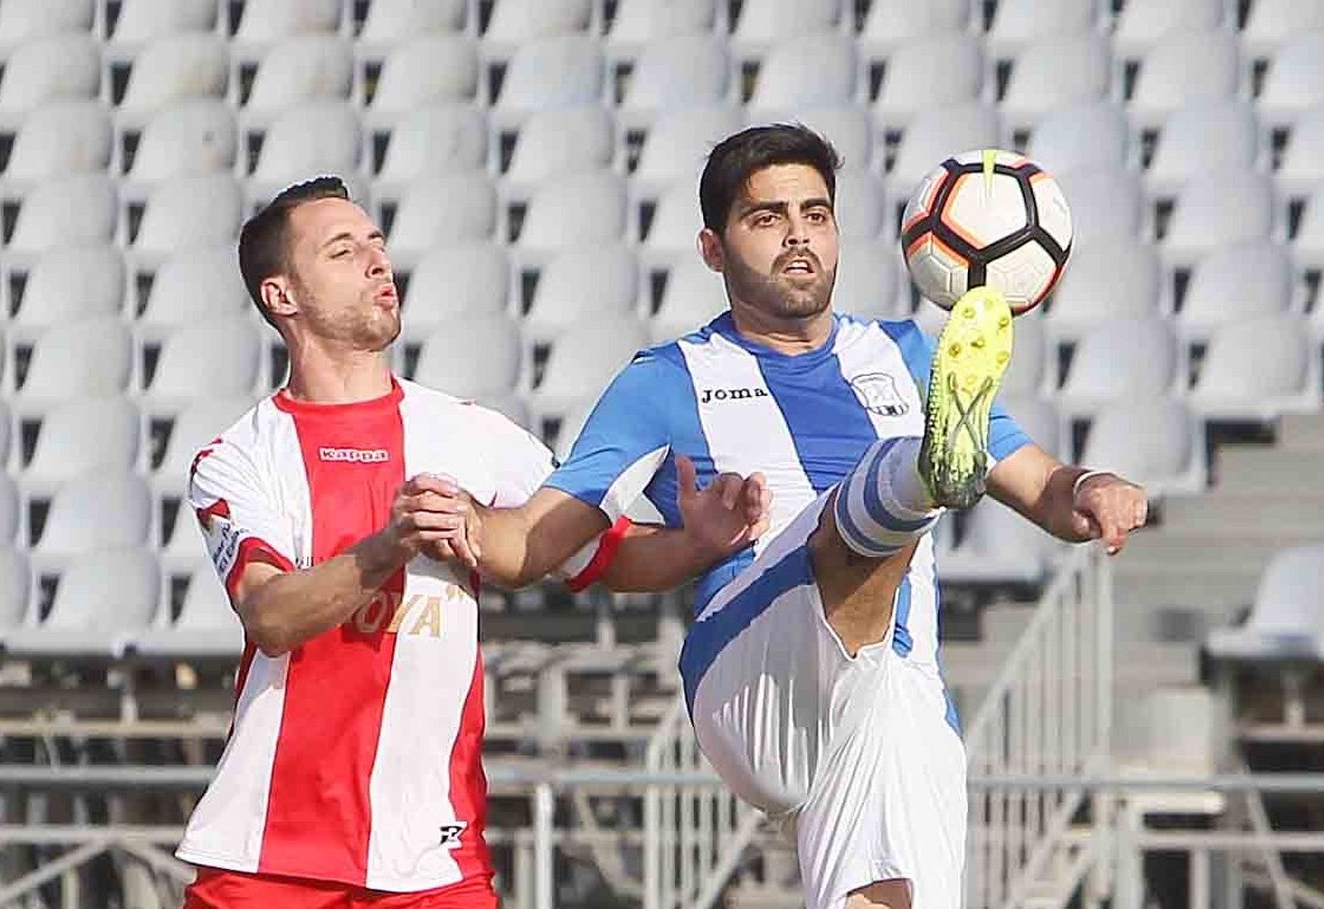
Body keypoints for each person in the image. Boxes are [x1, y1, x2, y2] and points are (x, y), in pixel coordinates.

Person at [429, 125, 1151, 909]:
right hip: (752, 674)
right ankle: (921, 473)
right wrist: (467, 521)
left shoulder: (907, 354)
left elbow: (1045, 488)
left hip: (897, 692)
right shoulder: (667, 381)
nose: (798, 234)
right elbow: (531, 544)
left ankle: (920, 475)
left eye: (816, 213)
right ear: (713, 249)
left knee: (894, 887)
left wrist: (1093, 485)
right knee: (864, 495)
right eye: (767, 217)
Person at [176, 177, 620, 908]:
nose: (377, 261)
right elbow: (269, 615)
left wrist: (705, 534)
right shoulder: (238, 457)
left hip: (433, 862)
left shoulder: (472, 433)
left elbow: (608, 551)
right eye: (343, 251)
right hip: (266, 862)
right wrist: (390, 544)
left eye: (376, 244)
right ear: (281, 295)